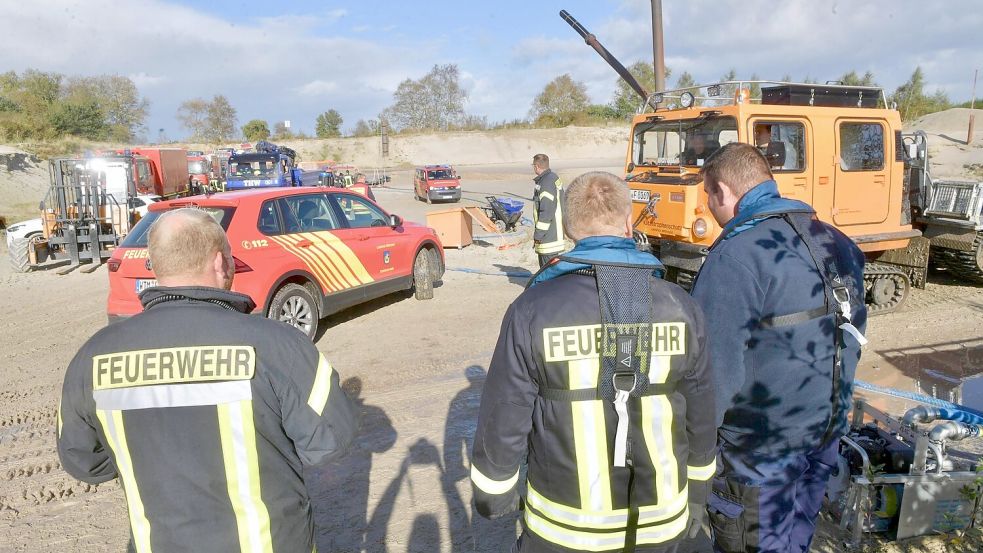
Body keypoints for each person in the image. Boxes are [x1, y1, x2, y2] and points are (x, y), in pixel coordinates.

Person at [56, 208, 358, 553]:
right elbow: (331, 439)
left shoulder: (92, 357)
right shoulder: (279, 345)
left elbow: (84, 462)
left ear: (155, 267)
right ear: (220, 264)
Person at [471, 171, 717, 553]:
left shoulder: (531, 310)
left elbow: (505, 412)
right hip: (662, 524)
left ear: (569, 228)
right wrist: (698, 491)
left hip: (564, 531)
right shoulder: (682, 306)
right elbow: (701, 410)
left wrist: (493, 494)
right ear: (628, 220)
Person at [689, 143, 867, 553]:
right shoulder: (837, 242)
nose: (710, 210)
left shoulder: (736, 257)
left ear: (721, 190)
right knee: (795, 540)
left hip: (760, 451)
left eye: (708, 198)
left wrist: (695, 452)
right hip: (825, 432)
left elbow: (712, 371)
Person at [532, 153, 566, 267]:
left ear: (536, 166)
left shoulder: (545, 183)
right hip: (553, 235)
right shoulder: (553, 177)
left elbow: (546, 213)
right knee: (552, 273)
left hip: (548, 239)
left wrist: (538, 235)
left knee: (548, 275)